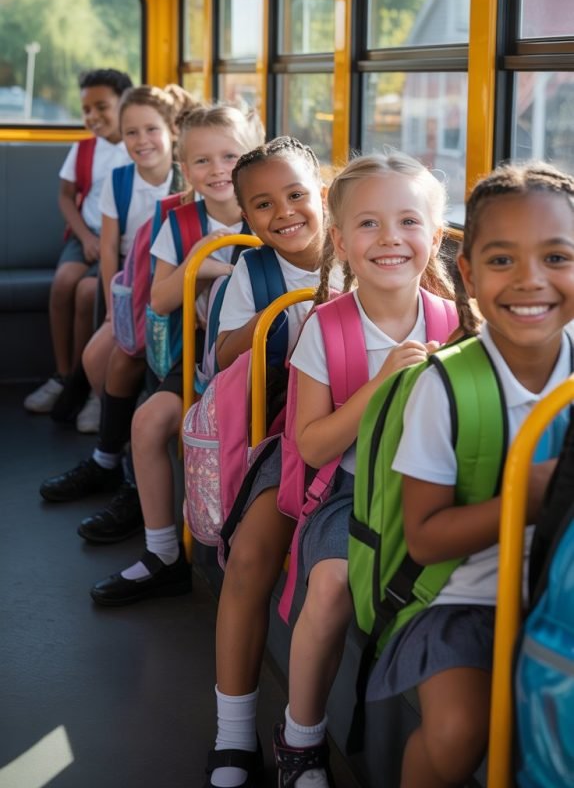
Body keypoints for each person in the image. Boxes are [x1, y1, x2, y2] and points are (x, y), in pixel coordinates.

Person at [365, 161, 574, 788]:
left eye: (557, 258)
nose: (530, 281)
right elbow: (426, 538)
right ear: (469, 274)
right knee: (458, 733)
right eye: (503, 261)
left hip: (560, 586)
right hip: (464, 597)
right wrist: (531, 496)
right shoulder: (445, 387)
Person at [274, 152, 454, 787]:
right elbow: (316, 446)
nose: (390, 239)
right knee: (329, 589)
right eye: (369, 225)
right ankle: (301, 739)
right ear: (343, 242)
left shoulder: (457, 326)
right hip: (348, 491)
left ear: (433, 238)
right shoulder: (326, 329)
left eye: (408, 222)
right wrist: (380, 385)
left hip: (430, 493)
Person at [84, 103, 264, 595]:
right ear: (185, 169)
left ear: (250, 156)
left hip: (267, 351)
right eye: (201, 161)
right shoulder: (181, 223)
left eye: (230, 156)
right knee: (148, 423)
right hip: (204, 349)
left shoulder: (272, 213)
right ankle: (164, 550)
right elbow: (160, 300)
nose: (218, 170)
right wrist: (199, 265)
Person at [202, 137, 335, 788]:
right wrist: (282, 321)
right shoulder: (252, 278)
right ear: (247, 219)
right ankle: (233, 734)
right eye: (262, 205)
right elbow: (222, 359)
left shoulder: (369, 255)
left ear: (325, 196)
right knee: (252, 556)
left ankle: (303, 735)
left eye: (296, 195)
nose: (283, 213)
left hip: (368, 429)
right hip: (284, 428)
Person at [39, 84, 185, 504]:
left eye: (151, 130)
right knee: (95, 356)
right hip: (129, 286)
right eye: (132, 133)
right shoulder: (119, 182)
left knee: (129, 359)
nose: (142, 142)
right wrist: (112, 314)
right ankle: (116, 440)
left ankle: (122, 444)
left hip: (170, 286)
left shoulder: (184, 178)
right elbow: (108, 253)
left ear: (171, 130)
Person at [24, 68, 132, 430]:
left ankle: (88, 387)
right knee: (63, 284)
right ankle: (62, 374)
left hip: (122, 242)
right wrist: (85, 237)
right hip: (86, 235)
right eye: (86, 110)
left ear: (124, 103)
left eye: (102, 106)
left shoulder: (136, 148)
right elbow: (67, 197)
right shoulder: (84, 149)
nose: (93, 117)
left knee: (88, 294)